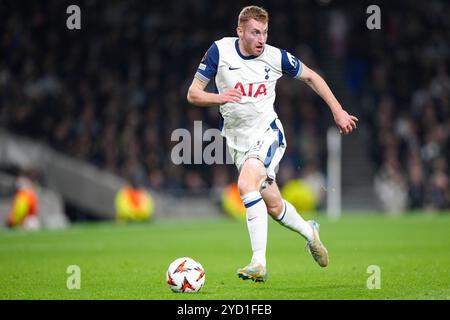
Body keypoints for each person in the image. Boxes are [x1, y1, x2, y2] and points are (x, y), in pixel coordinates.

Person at [187, 5, 358, 282]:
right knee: (274, 206)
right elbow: (193, 94)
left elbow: (312, 77)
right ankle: (309, 232)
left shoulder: (275, 57)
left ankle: (258, 263)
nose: (261, 39)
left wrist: (338, 111)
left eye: (265, 32)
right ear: (239, 31)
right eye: (255, 32)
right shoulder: (219, 51)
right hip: (237, 142)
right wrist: (219, 98)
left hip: (268, 134)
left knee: (245, 185)